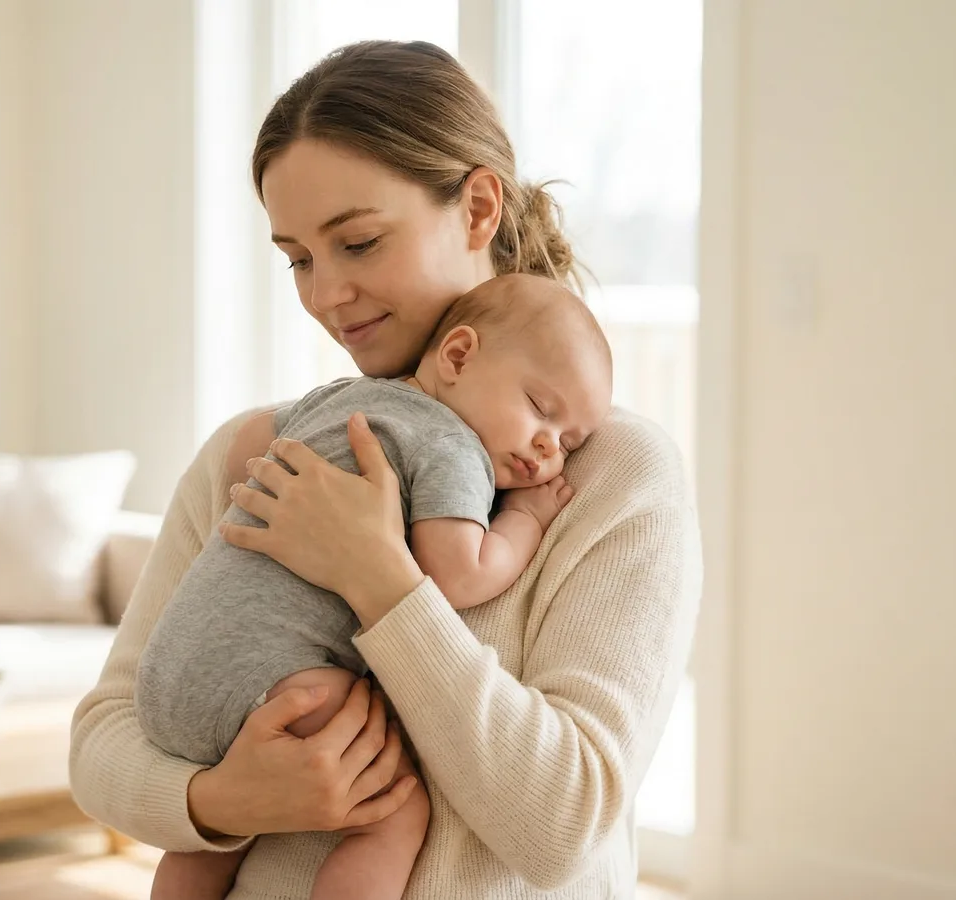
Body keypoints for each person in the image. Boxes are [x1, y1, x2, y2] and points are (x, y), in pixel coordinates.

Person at [70, 39, 701, 897]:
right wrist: (220, 800)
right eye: (299, 259)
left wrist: (378, 578)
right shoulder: (264, 451)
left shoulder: (609, 479)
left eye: (359, 242)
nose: (323, 295)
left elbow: (562, 827)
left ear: (478, 208)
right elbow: (102, 741)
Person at [134, 274, 613, 900]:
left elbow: (245, 452)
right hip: (271, 680)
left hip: (169, 672)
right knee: (393, 812)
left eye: (569, 442)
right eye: (539, 409)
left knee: (216, 838)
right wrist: (525, 518)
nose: (548, 446)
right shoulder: (452, 446)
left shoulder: (345, 399)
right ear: (458, 356)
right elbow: (457, 574)